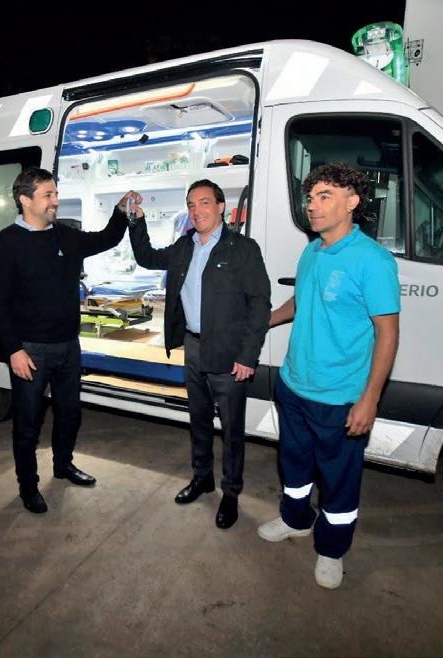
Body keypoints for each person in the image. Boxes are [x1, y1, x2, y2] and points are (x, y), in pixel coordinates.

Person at [256, 162, 400, 589]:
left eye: (324, 197)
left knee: (338, 480)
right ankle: (295, 519)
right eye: (310, 197)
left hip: (339, 396)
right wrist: (265, 320)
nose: (312, 206)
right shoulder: (313, 251)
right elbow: (301, 302)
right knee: (294, 465)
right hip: (294, 385)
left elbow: (387, 333)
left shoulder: (372, 261)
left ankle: (332, 549)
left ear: (352, 202)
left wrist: (369, 399)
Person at [0, 167, 129, 514]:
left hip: (68, 346)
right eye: (48, 195)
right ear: (25, 200)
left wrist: (121, 212)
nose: (56, 201)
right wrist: (14, 350)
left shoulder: (65, 236)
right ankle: (28, 486)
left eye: (55, 194)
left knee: (70, 413)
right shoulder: (5, 243)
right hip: (30, 350)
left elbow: (106, 238)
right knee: (28, 423)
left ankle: (63, 465)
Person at [128, 179, 270, 529]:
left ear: (221, 207)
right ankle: (202, 477)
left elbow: (259, 304)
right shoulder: (184, 246)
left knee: (232, 429)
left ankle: (231, 493)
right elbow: (146, 257)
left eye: (204, 202)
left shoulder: (243, 248)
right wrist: (136, 220)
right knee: (199, 420)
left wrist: (248, 356)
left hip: (229, 353)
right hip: (193, 347)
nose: (196, 210)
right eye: (191, 205)